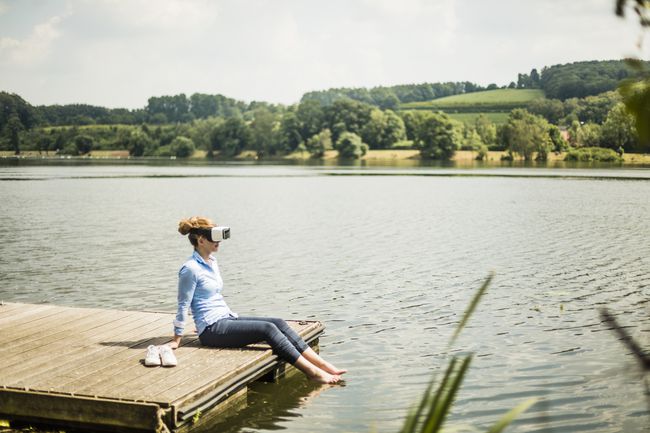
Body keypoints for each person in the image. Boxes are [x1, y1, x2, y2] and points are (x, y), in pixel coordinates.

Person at [169, 216, 346, 384]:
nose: (219, 242)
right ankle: (312, 373)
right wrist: (177, 338)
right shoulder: (190, 269)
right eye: (213, 238)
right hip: (212, 330)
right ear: (201, 240)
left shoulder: (211, 261)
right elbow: (183, 304)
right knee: (267, 329)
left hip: (225, 318)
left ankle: (322, 365)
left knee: (278, 322)